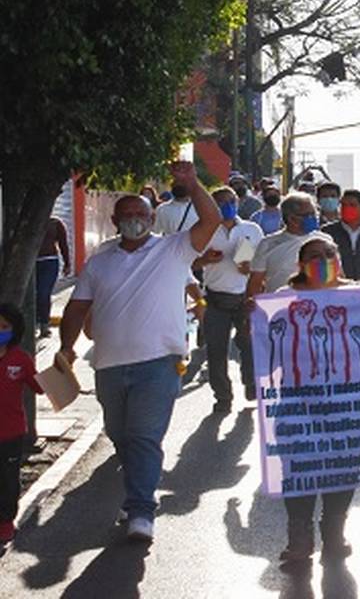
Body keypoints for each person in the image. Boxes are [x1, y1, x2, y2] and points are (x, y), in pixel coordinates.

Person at [58, 161, 221, 543]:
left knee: (144, 437)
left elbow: (210, 220)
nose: (134, 219)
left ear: (152, 218)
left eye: (140, 214)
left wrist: (194, 184)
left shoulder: (174, 249)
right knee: (120, 434)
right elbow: (77, 308)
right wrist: (65, 347)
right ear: (115, 221)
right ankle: (137, 493)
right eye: (127, 215)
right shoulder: (99, 262)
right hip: (109, 367)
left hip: (159, 365)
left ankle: (141, 511)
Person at [277, 238, 357, 568]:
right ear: (300, 264)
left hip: (348, 399)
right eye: (314, 257)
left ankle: (334, 530)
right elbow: (267, 345)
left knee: (344, 464)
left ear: (339, 259)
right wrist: (255, 318)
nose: (322, 260)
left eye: (329, 254)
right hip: (298, 398)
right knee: (298, 465)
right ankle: (299, 535)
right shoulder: (283, 298)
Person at [195, 187, 264, 413]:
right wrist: (205, 260)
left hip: (245, 298)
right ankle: (223, 397)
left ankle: (251, 383)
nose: (227, 205)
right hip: (215, 299)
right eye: (221, 202)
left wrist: (248, 267)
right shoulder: (203, 230)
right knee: (216, 352)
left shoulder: (251, 230)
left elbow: (263, 265)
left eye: (231, 200)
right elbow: (188, 263)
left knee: (250, 346)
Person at [0, 304, 50, 544]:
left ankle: (6, 522)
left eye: (4, 327)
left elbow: (39, 387)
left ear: (14, 330)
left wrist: (61, 370)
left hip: (11, 433)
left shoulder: (21, 359)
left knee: (8, 479)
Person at [247, 193, 332, 298]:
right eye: (308, 215)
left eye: (314, 213)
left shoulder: (325, 241)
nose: (314, 217)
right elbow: (255, 282)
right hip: (280, 307)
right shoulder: (268, 244)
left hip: (318, 305)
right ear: (291, 218)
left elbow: (337, 276)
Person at [36, 215, 71, 338]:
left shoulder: (56, 223)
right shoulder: (28, 221)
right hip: (31, 262)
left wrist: (67, 263)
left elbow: (63, 244)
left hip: (49, 262)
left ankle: (44, 325)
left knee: (43, 293)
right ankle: (35, 322)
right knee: (33, 295)